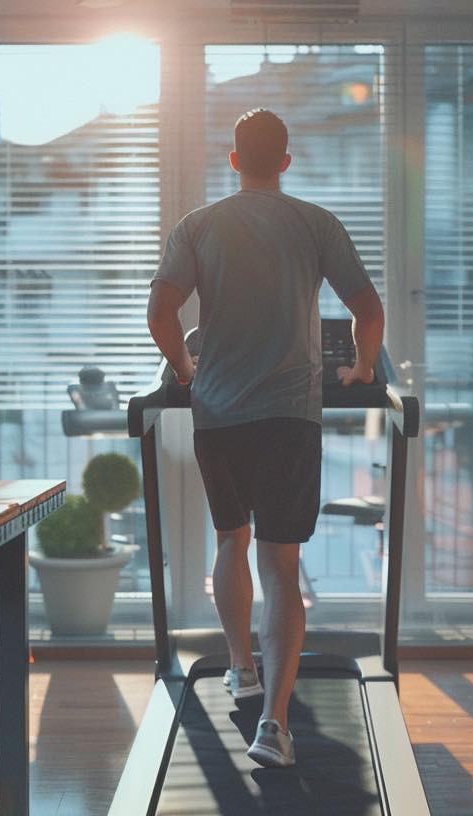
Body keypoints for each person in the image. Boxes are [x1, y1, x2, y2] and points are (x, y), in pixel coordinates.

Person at [146, 108, 384, 769]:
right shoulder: (314, 223)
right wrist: (363, 367)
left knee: (232, 541)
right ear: (286, 160)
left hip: (218, 413)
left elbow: (159, 312)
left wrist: (188, 369)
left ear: (232, 160)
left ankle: (243, 669)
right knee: (280, 567)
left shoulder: (198, 226)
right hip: (288, 416)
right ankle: (273, 728)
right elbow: (368, 309)